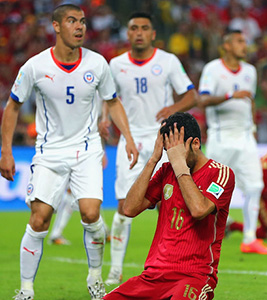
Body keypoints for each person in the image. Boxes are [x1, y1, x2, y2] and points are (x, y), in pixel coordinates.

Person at [0, 5, 138, 300]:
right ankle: (25, 290)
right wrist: (6, 151)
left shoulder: (98, 64)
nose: (80, 27)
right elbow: (12, 106)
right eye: (72, 21)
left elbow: (112, 102)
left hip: (86, 150)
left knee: (90, 213)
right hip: (49, 153)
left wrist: (128, 137)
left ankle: (95, 277)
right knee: (39, 220)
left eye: (83, 22)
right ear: (56, 27)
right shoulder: (35, 66)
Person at [105, 11, 198, 285]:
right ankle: (115, 269)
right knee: (124, 205)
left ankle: (173, 261)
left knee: (170, 204)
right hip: (130, 140)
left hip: (164, 139)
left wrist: (174, 108)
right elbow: (108, 99)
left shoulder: (168, 61)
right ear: (128, 33)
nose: (139, 33)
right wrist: (102, 122)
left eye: (144, 28)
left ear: (153, 33)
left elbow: (192, 95)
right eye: (134, 28)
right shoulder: (116, 64)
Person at [104, 112, 235, 300]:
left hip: (194, 277)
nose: (171, 158)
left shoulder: (221, 174)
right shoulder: (166, 170)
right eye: (168, 152)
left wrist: (179, 163)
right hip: (153, 277)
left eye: (177, 152)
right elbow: (129, 209)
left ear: (195, 144)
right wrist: (152, 161)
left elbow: (199, 210)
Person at [199, 29, 267, 254]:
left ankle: (249, 239)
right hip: (222, 138)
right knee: (212, 190)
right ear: (227, 46)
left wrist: (252, 128)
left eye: (245, 41)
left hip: (245, 137)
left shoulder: (250, 71)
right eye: (240, 42)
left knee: (255, 185)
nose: (245, 46)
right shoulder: (212, 69)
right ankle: (203, 238)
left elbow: (249, 101)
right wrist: (231, 95)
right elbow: (202, 99)